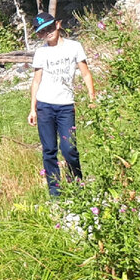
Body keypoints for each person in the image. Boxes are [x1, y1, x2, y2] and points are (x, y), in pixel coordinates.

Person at [28, 11, 95, 196]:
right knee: (49, 149)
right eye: (42, 31)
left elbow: (86, 74)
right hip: (45, 105)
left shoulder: (74, 47)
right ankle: (55, 192)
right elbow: (36, 81)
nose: (47, 33)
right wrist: (32, 109)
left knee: (69, 149)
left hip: (66, 106)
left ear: (58, 25)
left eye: (49, 28)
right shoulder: (41, 52)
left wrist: (92, 98)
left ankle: (77, 185)